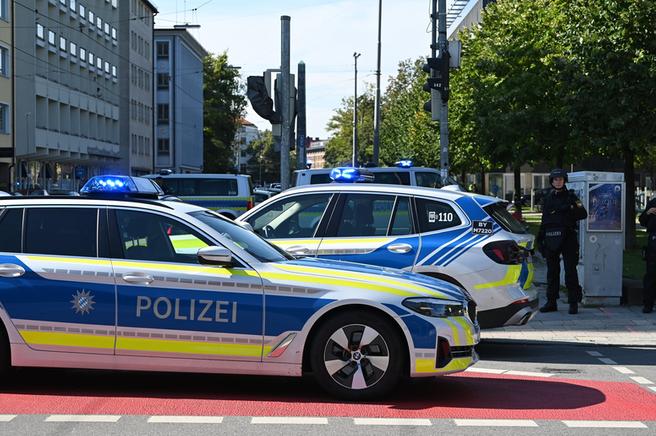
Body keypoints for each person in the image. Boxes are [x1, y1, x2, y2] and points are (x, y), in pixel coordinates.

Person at [536, 169, 588, 314]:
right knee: (552, 272)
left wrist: (570, 209)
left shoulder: (571, 196)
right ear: (551, 181)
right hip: (551, 237)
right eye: (555, 180)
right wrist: (541, 238)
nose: (558, 182)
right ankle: (551, 301)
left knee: (570, 271)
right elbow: (545, 220)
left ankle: (573, 303)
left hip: (568, 237)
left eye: (560, 179)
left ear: (564, 180)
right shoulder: (548, 197)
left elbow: (583, 214)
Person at [639, 195, 656, 313]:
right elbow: (642, 221)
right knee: (651, 273)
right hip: (654, 240)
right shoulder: (653, 203)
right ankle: (648, 304)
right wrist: (648, 213)